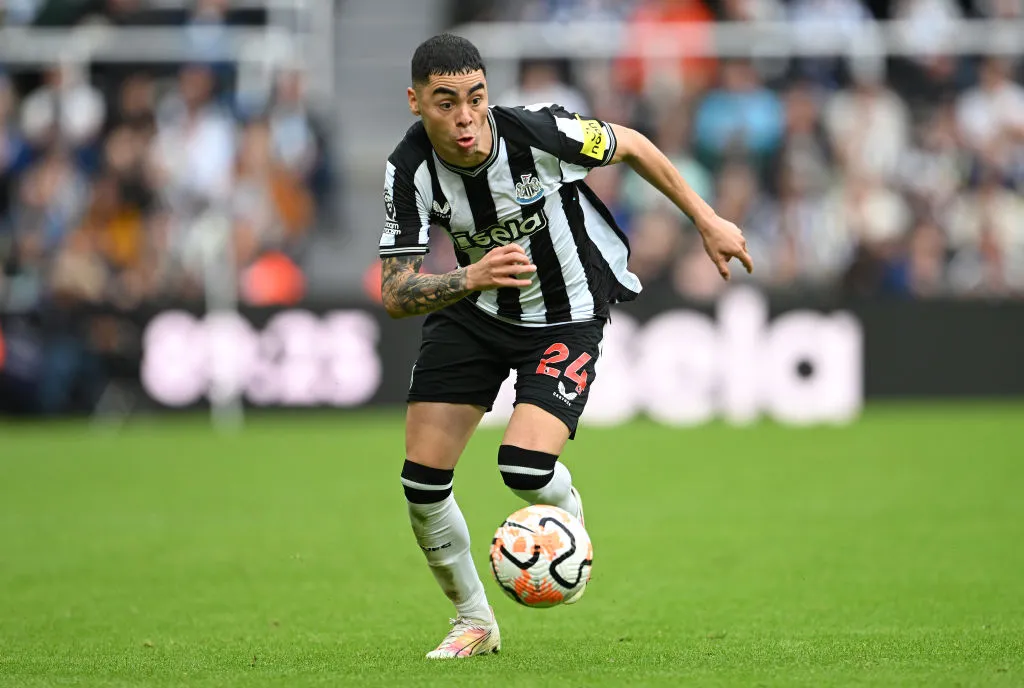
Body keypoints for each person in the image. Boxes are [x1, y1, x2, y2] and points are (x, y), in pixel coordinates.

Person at [379, 34, 752, 660]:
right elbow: (395, 291)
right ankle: (474, 620)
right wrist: (470, 277)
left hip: (565, 315)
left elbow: (632, 145)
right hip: (474, 311)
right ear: (416, 102)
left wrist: (706, 220)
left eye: (475, 98)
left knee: (524, 469)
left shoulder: (536, 134)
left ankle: (567, 520)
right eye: (446, 103)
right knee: (421, 484)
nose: (465, 117)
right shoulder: (408, 168)